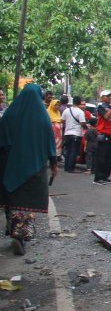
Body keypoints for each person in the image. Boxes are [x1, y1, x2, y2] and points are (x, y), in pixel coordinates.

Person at [0, 84, 58, 255]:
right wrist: (54, 165)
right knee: (27, 203)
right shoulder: (42, 117)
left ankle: (14, 232)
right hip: (35, 169)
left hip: (10, 167)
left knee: (12, 202)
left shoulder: (10, 114)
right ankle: (22, 234)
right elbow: (50, 144)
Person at [94, 90, 111, 185]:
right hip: (103, 134)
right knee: (101, 157)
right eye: (107, 96)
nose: (109, 97)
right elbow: (106, 116)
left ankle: (105, 176)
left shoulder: (110, 107)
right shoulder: (100, 107)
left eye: (110, 96)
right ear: (102, 98)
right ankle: (98, 178)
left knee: (110, 158)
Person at [60, 96, 86, 173]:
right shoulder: (80, 112)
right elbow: (82, 123)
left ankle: (66, 167)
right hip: (76, 133)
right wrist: (85, 128)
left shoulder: (66, 110)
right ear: (80, 102)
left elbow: (62, 120)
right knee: (74, 151)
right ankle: (71, 168)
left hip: (67, 133)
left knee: (68, 150)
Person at [46, 99, 63, 163]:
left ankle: (54, 162)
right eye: (56, 105)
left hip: (58, 135)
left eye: (59, 105)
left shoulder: (58, 113)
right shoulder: (47, 112)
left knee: (57, 148)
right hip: (51, 134)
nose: (58, 106)